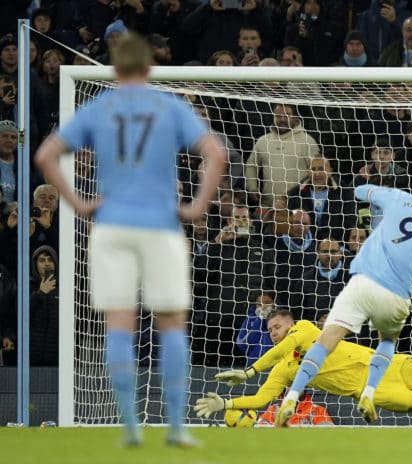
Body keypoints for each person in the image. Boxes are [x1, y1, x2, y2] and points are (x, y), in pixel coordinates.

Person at [34, 34, 226, 446]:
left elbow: (45, 155)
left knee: (119, 324)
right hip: (161, 225)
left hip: (112, 227)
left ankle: (130, 426)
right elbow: (217, 153)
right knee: (171, 324)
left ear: (116, 69)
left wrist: (79, 203)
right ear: (150, 67)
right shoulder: (169, 106)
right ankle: (176, 427)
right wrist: (195, 208)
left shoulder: (98, 107)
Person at [274, 175, 412, 426]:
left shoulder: (399, 198)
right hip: (395, 294)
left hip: (362, 281)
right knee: (386, 342)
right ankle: (369, 392)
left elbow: (361, 191)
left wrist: (356, 189)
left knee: (326, 339)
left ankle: (293, 395)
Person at [194, 310, 412, 428]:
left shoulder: (305, 330)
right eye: (271, 330)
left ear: (290, 323)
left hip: (386, 363)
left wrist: (250, 370)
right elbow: (260, 400)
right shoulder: (284, 370)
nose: (274, 333)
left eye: (277, 326)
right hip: (373, 389)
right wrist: (227, 403)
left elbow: (279, 349)